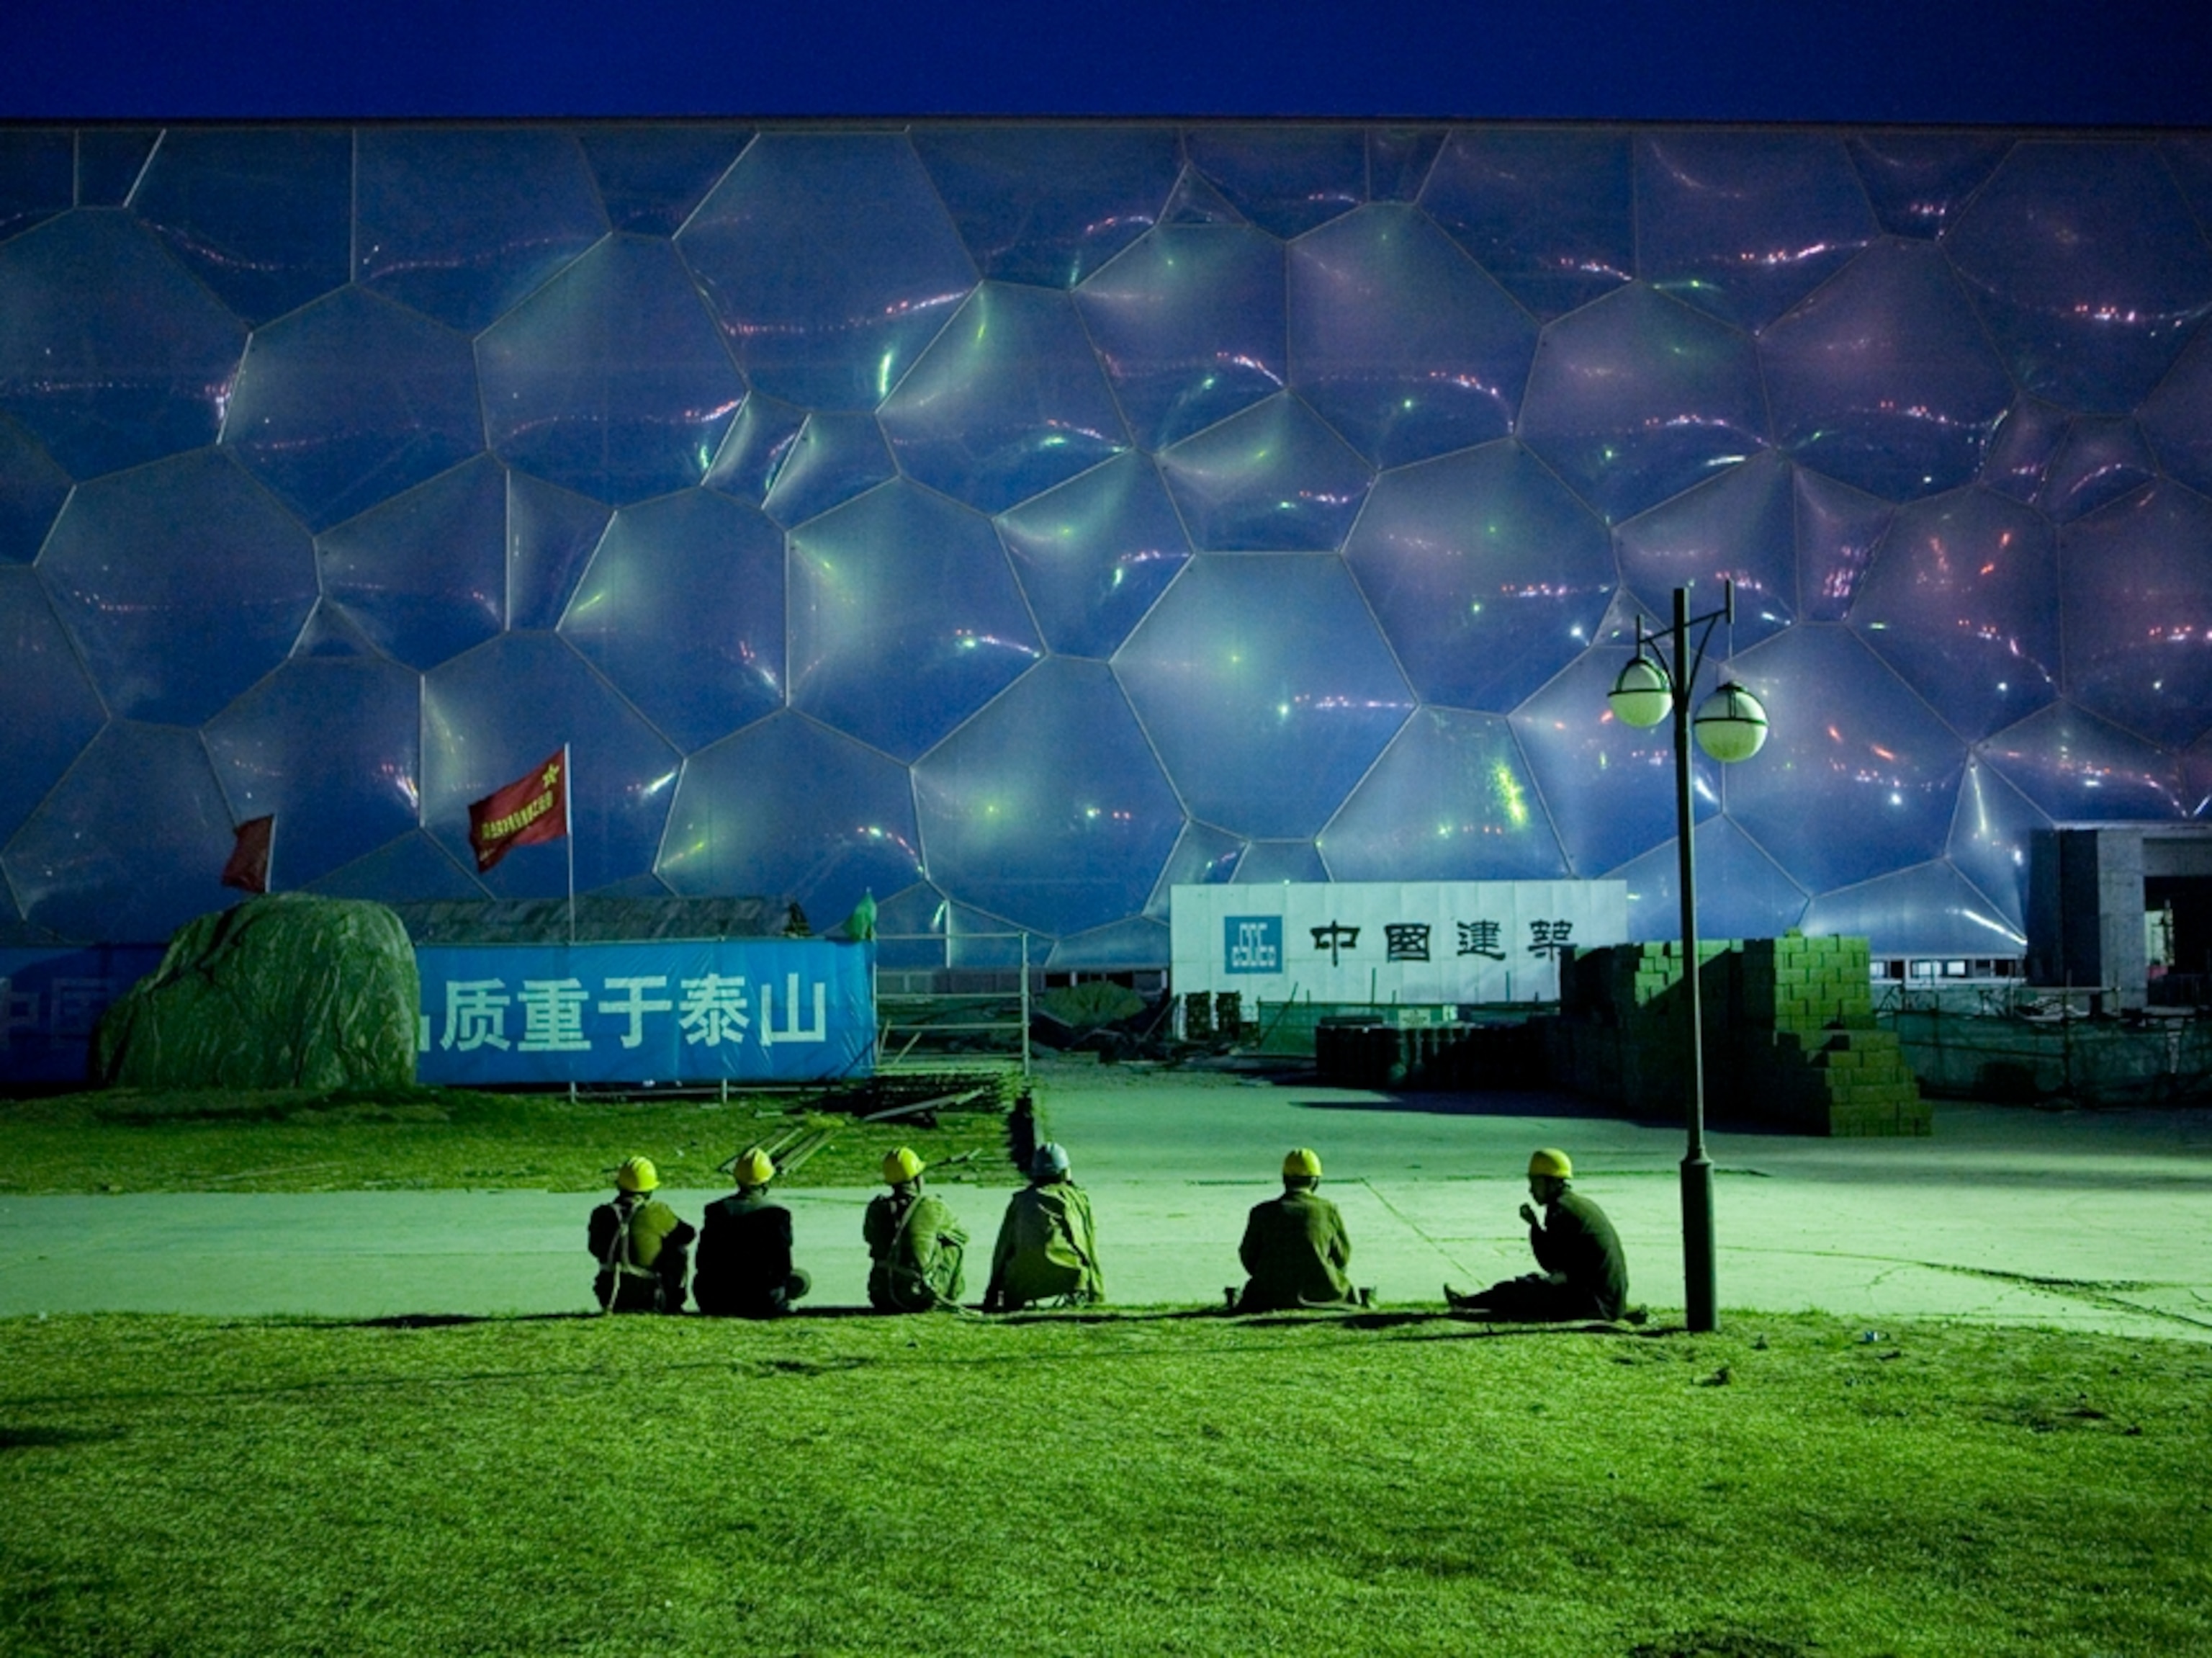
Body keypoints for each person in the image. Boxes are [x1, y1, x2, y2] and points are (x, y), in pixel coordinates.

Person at [1445, 1147, 1631, 1322]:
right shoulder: (1578, 1204)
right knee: (1529, 1284)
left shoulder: (1560, 1211)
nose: (1531, 1190)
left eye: (1535, 1183)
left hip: (1594, 1304)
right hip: (1609, 1301)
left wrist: (1534, 1226)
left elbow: (1550, 1262)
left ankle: (1466, 1303)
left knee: (1518, 1292)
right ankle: (1468, 1301)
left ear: (1550, 1182)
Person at [982, 1141, 1104, 1312]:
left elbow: (1003, 1247)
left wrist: (991, 1293)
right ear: (1065, 1171)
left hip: (1021, 1277)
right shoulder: (1076, 1199)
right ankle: (1077, 1298)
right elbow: (1086, 1245)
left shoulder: (1020, 1201)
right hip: (1068, 1272)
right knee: (1079, 1274)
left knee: (1016, 1275)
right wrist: (1097, 1292)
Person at [692, 1146, 811, 1318]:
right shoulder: (778, 1214)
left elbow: (702, 1260)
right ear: (766, 1182)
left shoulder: (715, 1210)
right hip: (761, 1300)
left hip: (717, 1298)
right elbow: (783, 1265)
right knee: (803, 1279)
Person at [1234, 1147, 1357, 1312]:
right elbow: (1342, 1257)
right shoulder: (1328, 1210)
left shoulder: (1261, 1212)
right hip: (1323, 1294)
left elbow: (1248, 1257)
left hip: (1267, 1295)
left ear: (1285, 1179)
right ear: (1315, 1181)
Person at [863, 1147, 968, 1312]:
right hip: (918, 1297)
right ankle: (947, 1298)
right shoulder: (932, 1206)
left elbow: (870, 1238)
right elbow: (962, 1236)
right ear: (918, 1179)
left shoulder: (876, 1208)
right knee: (953, 1246)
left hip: (881, 1295)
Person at [588, 1155, 694, 1314]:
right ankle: (673, 1304)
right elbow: (688, 1234)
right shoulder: (656, 1212)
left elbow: (594, 1248)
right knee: (678, 1250)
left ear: (619, 1185)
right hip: (649, 1295)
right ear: (650, 1188)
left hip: (609, 1294)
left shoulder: (601, 1214)